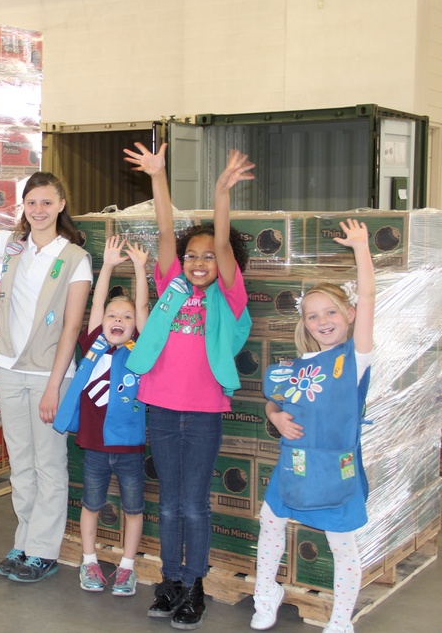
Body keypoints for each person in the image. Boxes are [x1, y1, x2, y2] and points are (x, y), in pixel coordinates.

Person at [123, 143, 253, 629]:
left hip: (202, 412)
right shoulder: (172, 285)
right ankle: (171, 579)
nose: (199, 262)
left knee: (194, 504)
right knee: (170, 501)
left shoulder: (229, 299)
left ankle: (195, 583)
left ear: (224, 264)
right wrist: (158, 177)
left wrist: (221, 193)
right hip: (160, 405)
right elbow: (163, 229)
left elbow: (220, 244)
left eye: (208, 257)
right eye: (191, 256)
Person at [0, 158, 93, 582]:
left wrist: (55, 388)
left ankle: (43, 551)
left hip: (51, 374)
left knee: (49, 464)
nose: (38, 210)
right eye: (31, 202)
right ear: (24, 205)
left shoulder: (75, 258)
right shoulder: (13, 245)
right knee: (22, 462)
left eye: (46, 202)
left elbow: (72, 327)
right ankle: (25, 540)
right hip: (9, 368)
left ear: (61, 204)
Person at [251, 218, 375, 633]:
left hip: (336, 468)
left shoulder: (354, 360)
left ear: (349, 314)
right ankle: (266, 593)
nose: (322, 321)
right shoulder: (298, 365)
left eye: (331, 312)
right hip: (293, 465)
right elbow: (275, 399)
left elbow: (370, 297)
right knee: (270, 523)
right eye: (312, 316)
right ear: (303, 323)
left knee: (342, 544)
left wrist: (360, 249)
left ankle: (341, 620)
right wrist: (274, 415)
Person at [53, 236, 149, 596]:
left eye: (126, 317)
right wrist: (106, 267)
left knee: (133, 508)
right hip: (93, 447)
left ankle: (127, 566)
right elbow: (96, 304)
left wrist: (139, 268)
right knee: (91, 504)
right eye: (113, 315)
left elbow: (141, 307)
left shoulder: (139, 351)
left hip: (130, 449)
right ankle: (89, 560)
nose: (118, 320)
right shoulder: (93, 343)